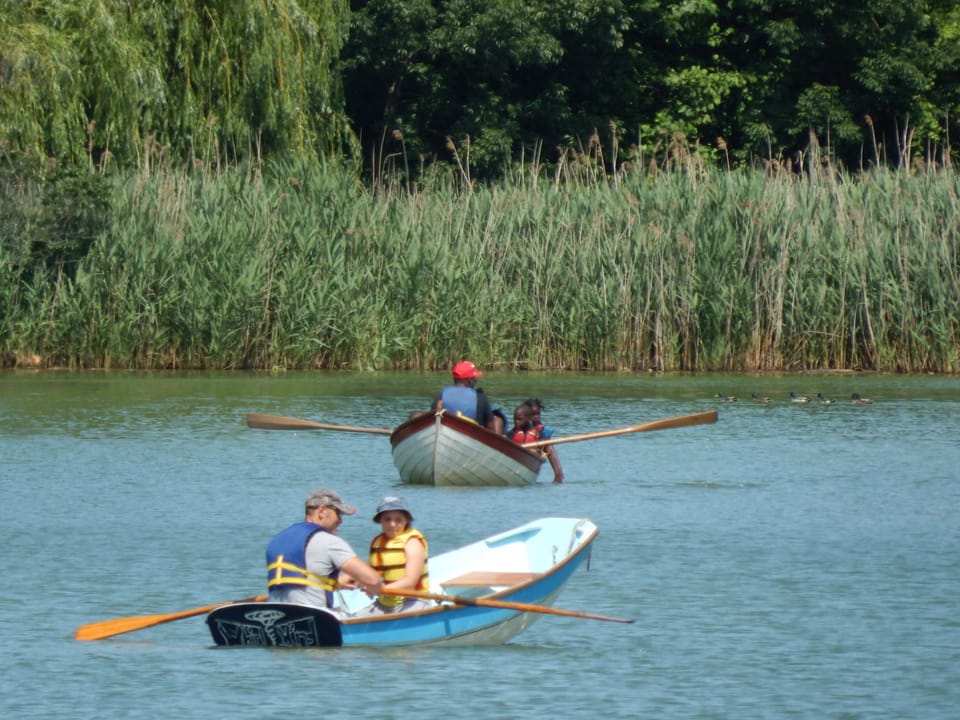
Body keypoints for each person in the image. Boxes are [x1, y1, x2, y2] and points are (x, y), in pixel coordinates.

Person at [265, 488, 383, 612]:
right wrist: (375, 589)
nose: (341, 521)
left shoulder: (277, 540)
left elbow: (302, 575)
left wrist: (335, 583)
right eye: (339, 514)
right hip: (313, 617)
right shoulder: (329, 541)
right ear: (322, 511)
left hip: (279, 614)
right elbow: (373, 580)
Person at [353, 495, 433, 616]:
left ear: (406, 520)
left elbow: (410, 581)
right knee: (353, 619)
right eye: (387, 519)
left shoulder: (413, 543)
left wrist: (380, 590)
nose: (392, 524)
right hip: (384, 603)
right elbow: (368, 572)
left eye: (398, 520)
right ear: (380, 520)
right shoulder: (378, 542)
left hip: (414, 600)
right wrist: (360, 582)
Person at [431, 360, 505, 434]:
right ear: (470, 380)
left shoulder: (440, 396)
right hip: (473, 437)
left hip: (443, 434)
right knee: (498, 419)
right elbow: (491, 429)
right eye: (475, 379)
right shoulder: (481, 398)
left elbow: (433, 421)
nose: (475, 381)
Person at [525, 398, 564, 484]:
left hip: (537, 454)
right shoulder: (522, 425)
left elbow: (545, 446)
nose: (536, 416)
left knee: (548, 443)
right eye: (533, 414)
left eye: (538, 413)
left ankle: (558, 474)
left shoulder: (542, 430)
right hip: (524, 453)